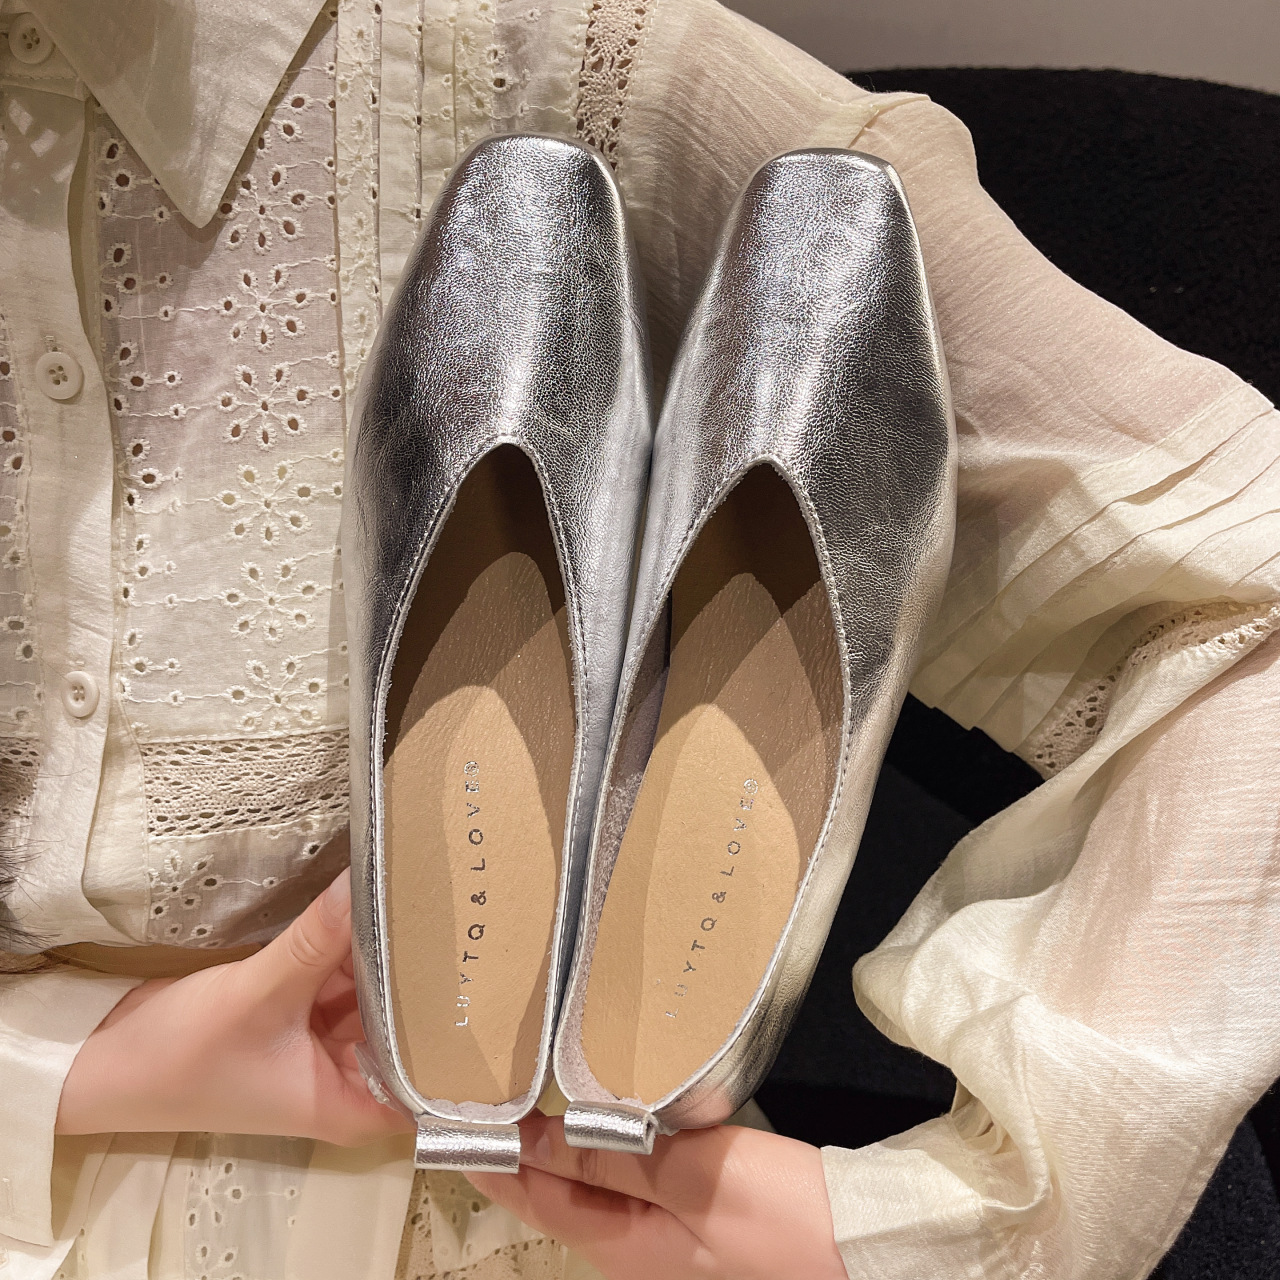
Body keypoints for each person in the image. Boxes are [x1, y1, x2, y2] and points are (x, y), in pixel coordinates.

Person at [1, 1, 1276, 1278]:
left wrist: (957, 1226)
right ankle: (613, 1039)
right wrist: (88, 1063)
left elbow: (1251, 585)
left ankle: (643, 1034)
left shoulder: (551, 58)